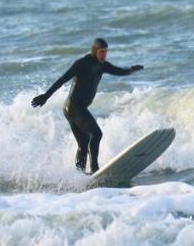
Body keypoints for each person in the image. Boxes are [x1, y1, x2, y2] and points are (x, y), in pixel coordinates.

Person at [33, 38, 143, 173]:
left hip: (73, 109)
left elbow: (119, 71)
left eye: (106, 52)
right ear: (95, 51)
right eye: (101, 52)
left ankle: (79, 177)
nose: (104, 55)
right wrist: (46, 96)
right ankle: (95, 169)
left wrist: (131, 70)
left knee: (83, 145)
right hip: (74, 107)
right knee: (96, 134)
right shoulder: (82, 64)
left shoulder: (102, 65)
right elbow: (62, 79)